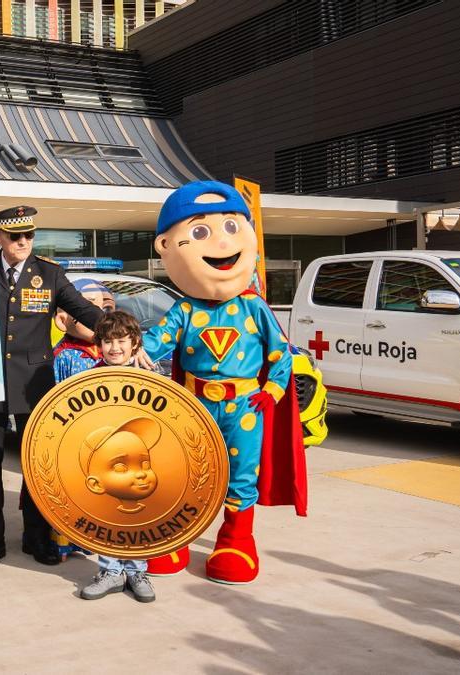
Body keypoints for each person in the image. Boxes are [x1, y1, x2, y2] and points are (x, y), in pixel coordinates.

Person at [138, 180, 307, 585]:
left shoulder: (253, 307)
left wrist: (272, 392)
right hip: (193, 405)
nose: (219, 242)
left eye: (232, 228)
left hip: (245, 406)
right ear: (166, 246)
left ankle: (236, 538)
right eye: (198, 232)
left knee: (239, 473)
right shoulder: (183, 310)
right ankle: (179, 536)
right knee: (188, 472)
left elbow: (280, 353)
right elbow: (155, 341)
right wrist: (123, 348)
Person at [0, 205, 105, 570]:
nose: (23, 241)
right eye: (15, 236)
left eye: (28, 235)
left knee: (36, 466)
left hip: (33, 387)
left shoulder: (51, 273)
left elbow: (84, 311)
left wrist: (119, 329)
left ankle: (36, 537)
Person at [77, 310, 157, 603]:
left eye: (122, 341)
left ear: (135, 343)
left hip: (139, 462)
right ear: (99, 345)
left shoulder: (149, 377)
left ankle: (137, 571)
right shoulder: (89, 378)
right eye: (108, 342)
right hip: (108, 464)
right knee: (108, 516)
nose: (115, 348)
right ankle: (111, 571)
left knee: (139, 517)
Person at [50, 278, 115, 561]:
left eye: (107, 309)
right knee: (70, 488)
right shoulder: (64, 356)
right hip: (72, 437)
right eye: (91, 309)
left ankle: (91, 537)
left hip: (105, 438)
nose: (101, 316)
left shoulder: (112, 356)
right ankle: (63, 539)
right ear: (62, 319)